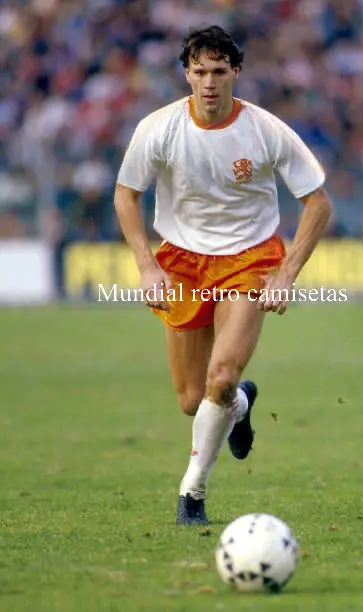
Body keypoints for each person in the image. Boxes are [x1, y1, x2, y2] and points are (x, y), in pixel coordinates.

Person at [114, 25, 331, 525]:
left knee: (222, 376)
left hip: (249, 262)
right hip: (183, 263)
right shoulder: (158, 128)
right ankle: (239, 406)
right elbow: (126, 195)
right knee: (195, 400)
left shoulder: (265, 129)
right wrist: (147, 265)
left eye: (218, 71)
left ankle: (192, 494)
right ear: (186, 75)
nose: (209, 82)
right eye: (199, 72)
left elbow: (317, 202)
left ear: (236, 72)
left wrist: (286, 272)